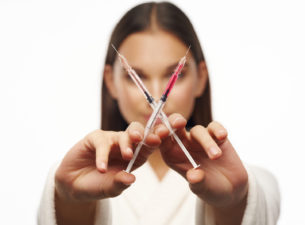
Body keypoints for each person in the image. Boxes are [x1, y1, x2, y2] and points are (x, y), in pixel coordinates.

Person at [38, 2, 280, 225]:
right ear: (110, 81)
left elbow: (257, 205)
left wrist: (236, 200)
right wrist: (67, 198)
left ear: (201, 78)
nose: (156, 98)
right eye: (138, 77)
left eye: (175, 75)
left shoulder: (249, 182)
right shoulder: (81, 174)